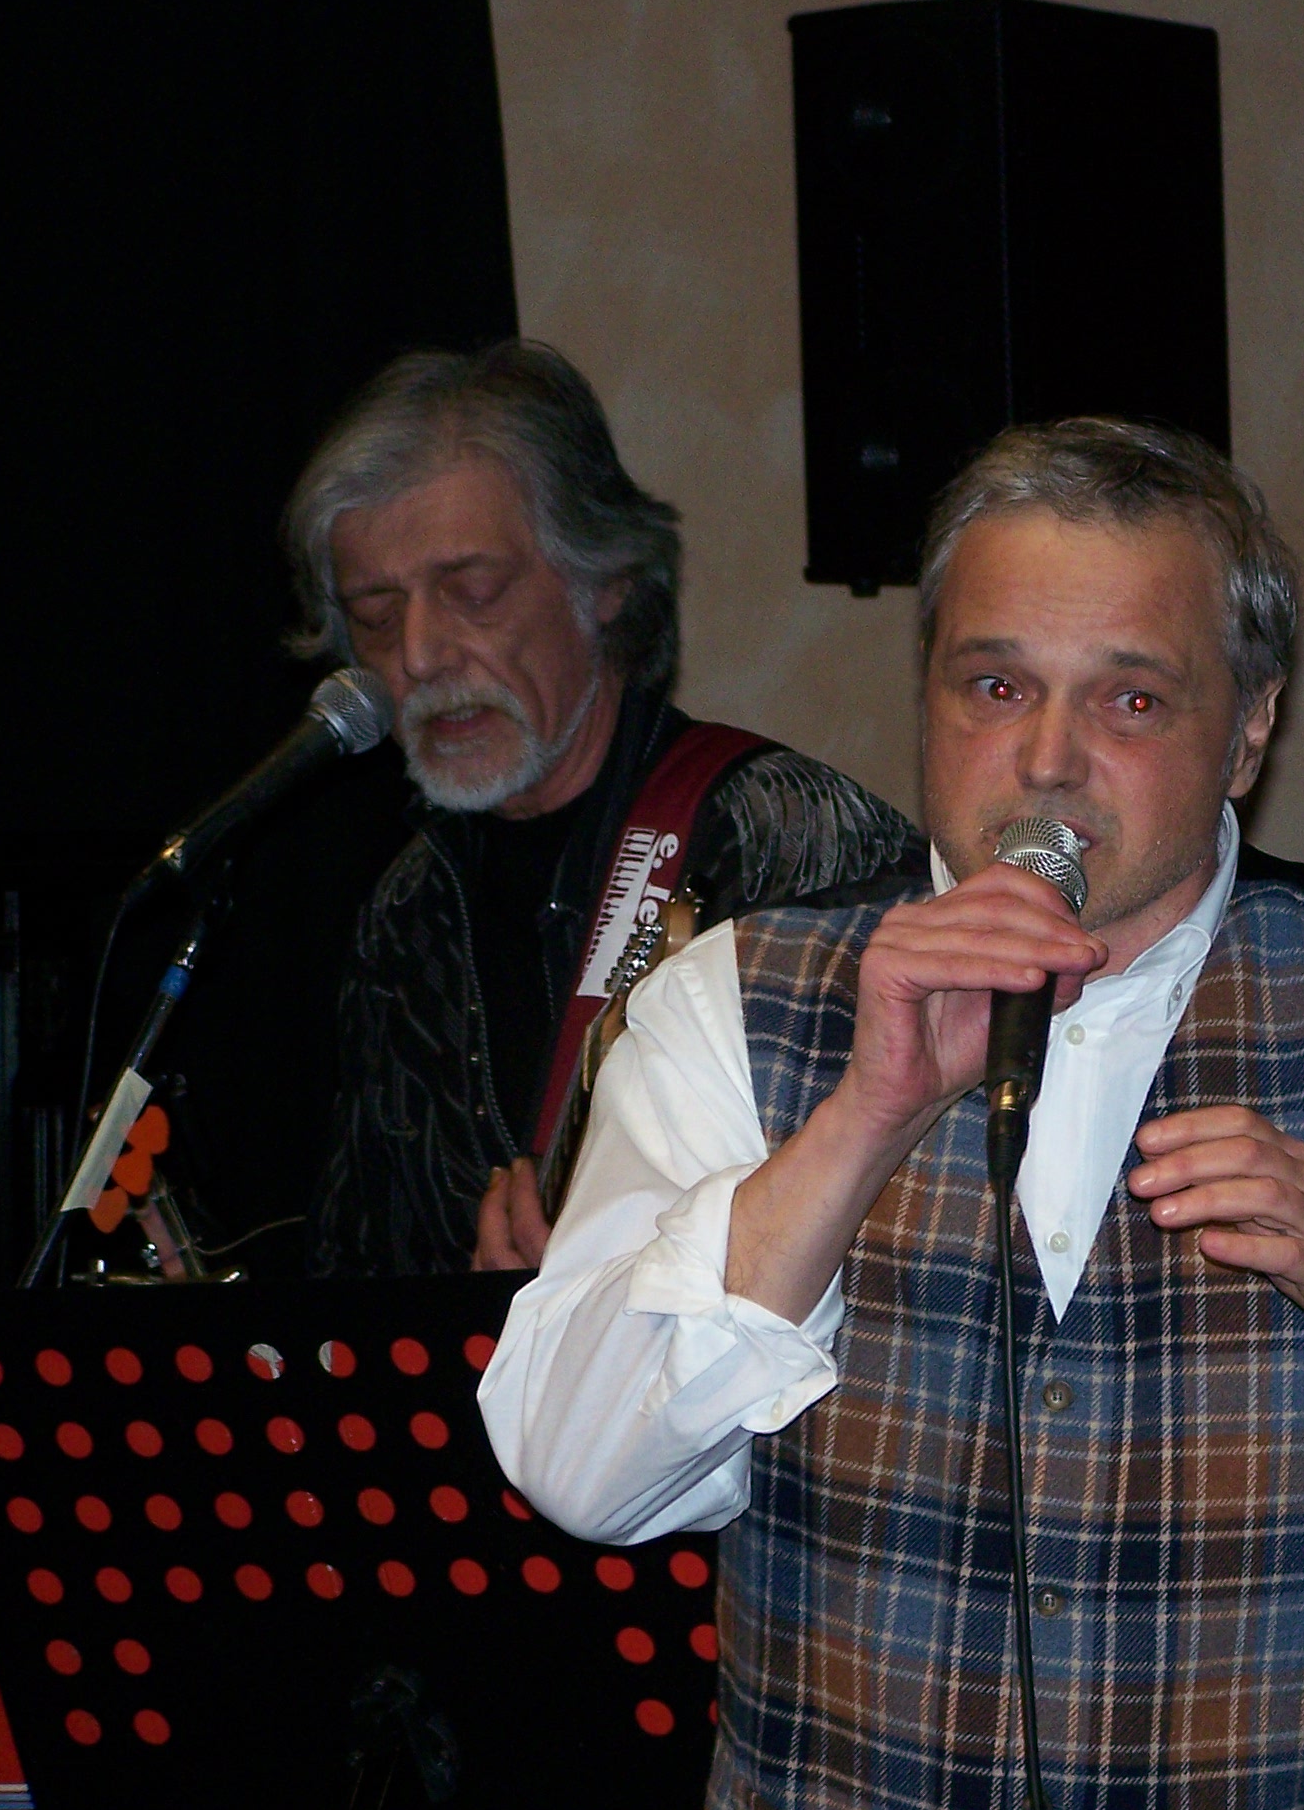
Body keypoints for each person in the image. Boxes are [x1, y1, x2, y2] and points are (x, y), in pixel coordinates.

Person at [479, 417, 1304, 1810]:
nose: (1045, 761)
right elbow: (578, 1473)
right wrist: (861, 1121)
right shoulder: (726, 1006)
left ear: (1250, 729)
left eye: (1129, 699)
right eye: (993, 687)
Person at [291, 341, 915, 1279]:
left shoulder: (788, 842)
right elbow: (364, 1272)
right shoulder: (406, 915)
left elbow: (913, 1233)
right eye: (376, 616)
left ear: (607, 580)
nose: (418, 654)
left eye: (473, 592)